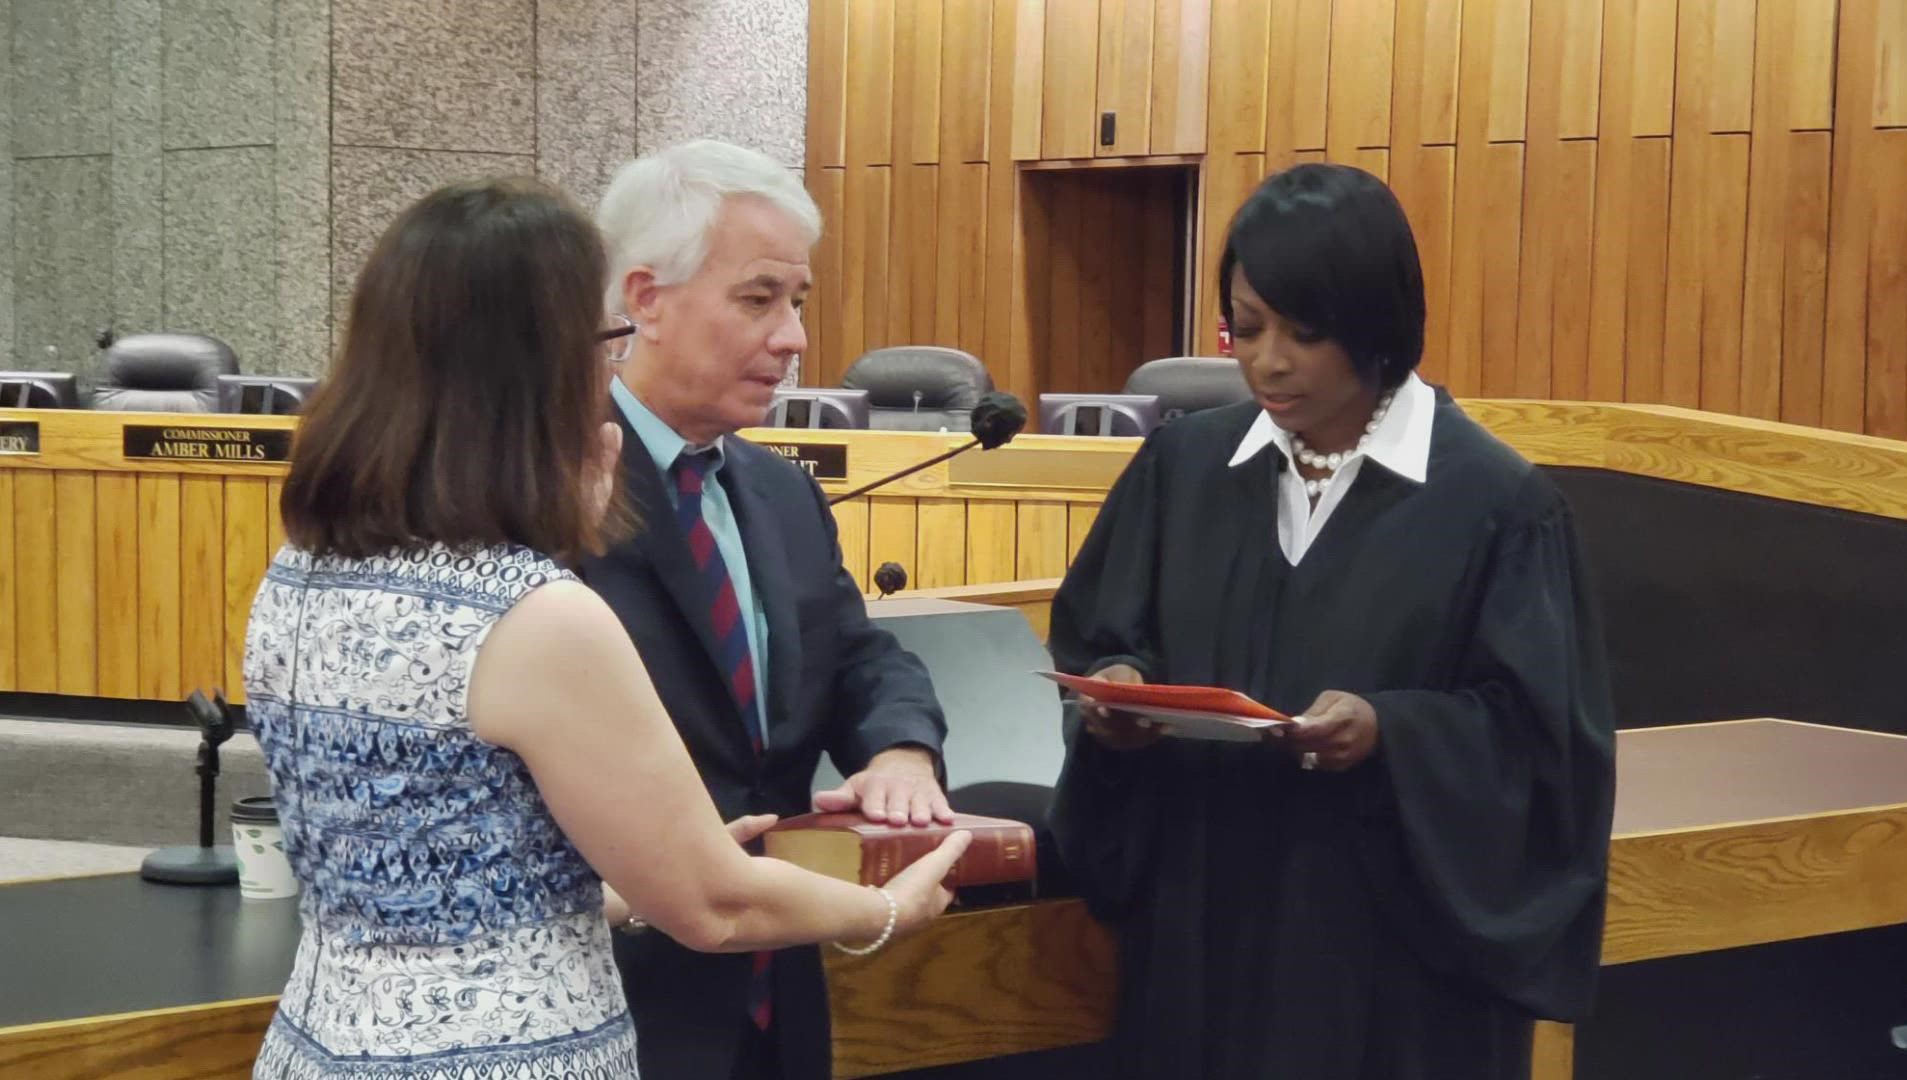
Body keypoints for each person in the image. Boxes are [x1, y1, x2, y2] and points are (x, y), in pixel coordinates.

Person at [242, 177, 967, 1080]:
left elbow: (453, 858)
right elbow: (713, 907)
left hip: (329, 1042)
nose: (605, 372)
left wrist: (628, 882)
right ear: (537, 369)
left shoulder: (299, 573)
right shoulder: (534, 608)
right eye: (598, 344)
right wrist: (886, 910)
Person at [1045, 163, 1616, 1079]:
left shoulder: (1497, 506)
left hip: (1392, 972)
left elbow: (1542, 755)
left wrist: (1392, 731)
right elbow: (1104, 633)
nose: (1267, 361)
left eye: (1306, 333)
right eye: (1248, 325)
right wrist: (1111, 696)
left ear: (1376, 325)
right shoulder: (1182, 470)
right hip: (1199, 935)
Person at [578, 140, 953, 1080]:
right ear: (647, 300)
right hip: (617, 1000)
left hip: (778, 999)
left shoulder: (780, 493)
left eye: (798, 302)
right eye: (759, 299)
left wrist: (900, 747)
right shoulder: (554, 497)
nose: (793, 338)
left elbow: (857, 656)